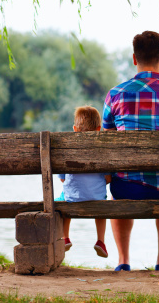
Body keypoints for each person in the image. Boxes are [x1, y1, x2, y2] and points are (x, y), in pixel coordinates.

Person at [102, 31, 159, 271]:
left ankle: (123, 261)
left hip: (126, 187)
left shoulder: (116, 94)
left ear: (135, 59)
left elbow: (105, 142)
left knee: (119, 188)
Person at [56, 106, 111, 258]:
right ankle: (101, 241)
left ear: (74, 129)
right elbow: (109, 178)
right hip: (97, 197)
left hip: (72, 198)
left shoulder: (67, 149)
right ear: (99, 129)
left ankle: (65, 237)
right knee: (102, 205)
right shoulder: (102, 150)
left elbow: (62, 178)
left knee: (63, 199)